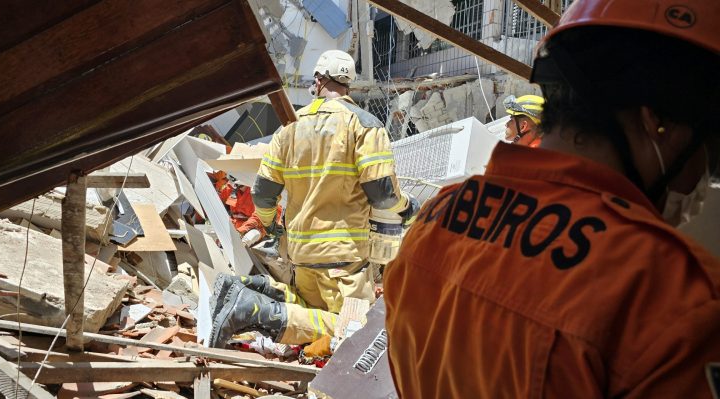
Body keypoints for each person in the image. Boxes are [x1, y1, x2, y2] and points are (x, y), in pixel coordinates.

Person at [385, 0, 720, 397]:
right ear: (657, 122)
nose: (705, 175)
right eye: (712, 152)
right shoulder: (671, 294)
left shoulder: (439, 216)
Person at [208, 49, 419, 348]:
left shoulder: (289, 128)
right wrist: (407, 206)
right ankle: (253, 308)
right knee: (354, 334)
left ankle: (253, 290)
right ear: (349, 84)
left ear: (318, 81)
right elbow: (383, 193)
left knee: (312, 320)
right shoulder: (365, 125)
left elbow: (264, 191)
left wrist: (267, 224)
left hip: (301, 253)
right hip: (344, 254)